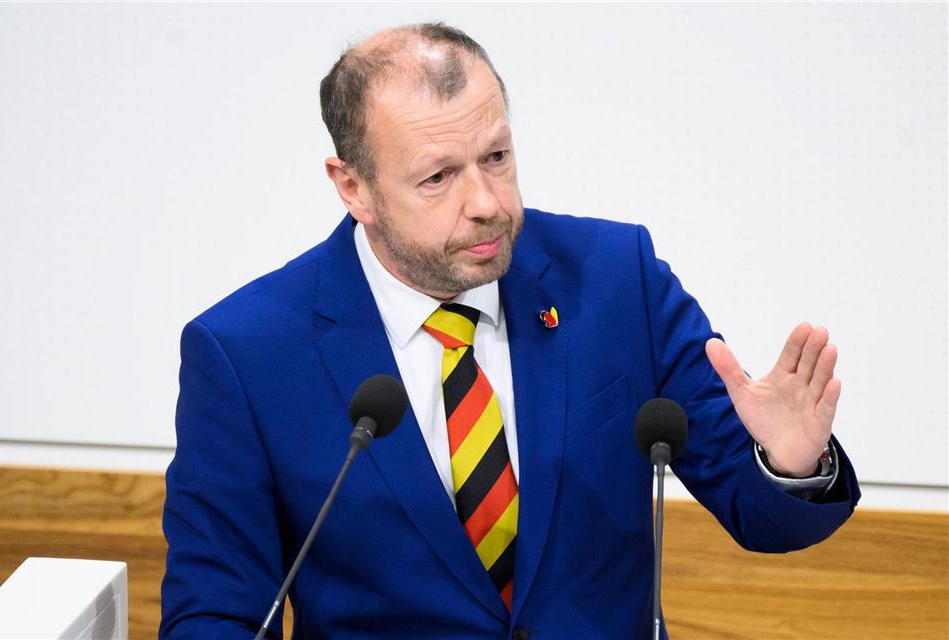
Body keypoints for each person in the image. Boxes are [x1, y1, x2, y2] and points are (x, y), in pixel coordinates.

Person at [160, 22, 859, 639]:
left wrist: (791, 466)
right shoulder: (247, 355)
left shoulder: (617, 282)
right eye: (438, 177)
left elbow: (760, 516)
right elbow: (215, 611)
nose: (486, 203)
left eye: (495, 157)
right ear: (353, 187)